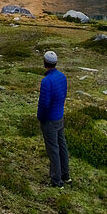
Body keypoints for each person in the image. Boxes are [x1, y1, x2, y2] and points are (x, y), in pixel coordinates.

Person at [37, 50, 70, 188]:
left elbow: (44, 103)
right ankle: (65, 175)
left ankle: (57, 180)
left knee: (53, 149)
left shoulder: (46, 81)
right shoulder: (62, 76)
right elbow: (63, 94)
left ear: (44, 63)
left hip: (49, 119)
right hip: (59, 116)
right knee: (62, 145)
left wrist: (41, 117)